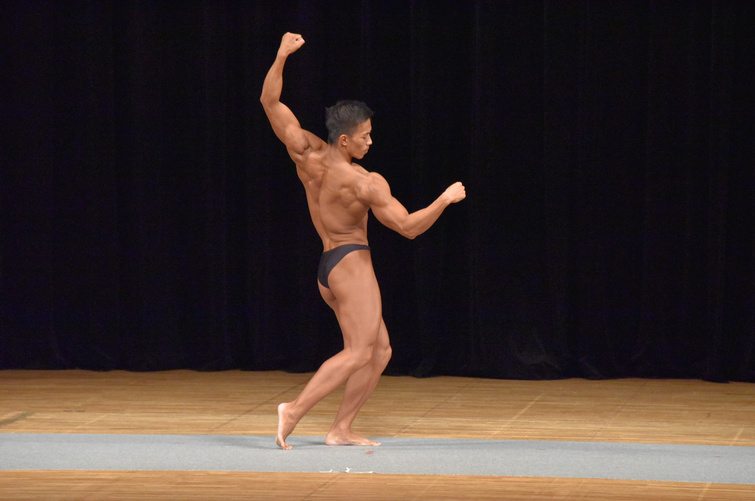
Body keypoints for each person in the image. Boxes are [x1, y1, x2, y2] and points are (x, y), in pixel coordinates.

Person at [261, 32, 466, 450]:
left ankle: (340, 430)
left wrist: (281, 55)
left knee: (380, 350)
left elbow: (270, 101)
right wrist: (444, 199)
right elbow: (408, 227)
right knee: (358, 351)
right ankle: (293, 411)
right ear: (345, 140)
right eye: (365, 136)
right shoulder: (365, 183)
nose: (370, 141)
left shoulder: (305, 152)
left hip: (328, 267)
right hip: (351, 263)